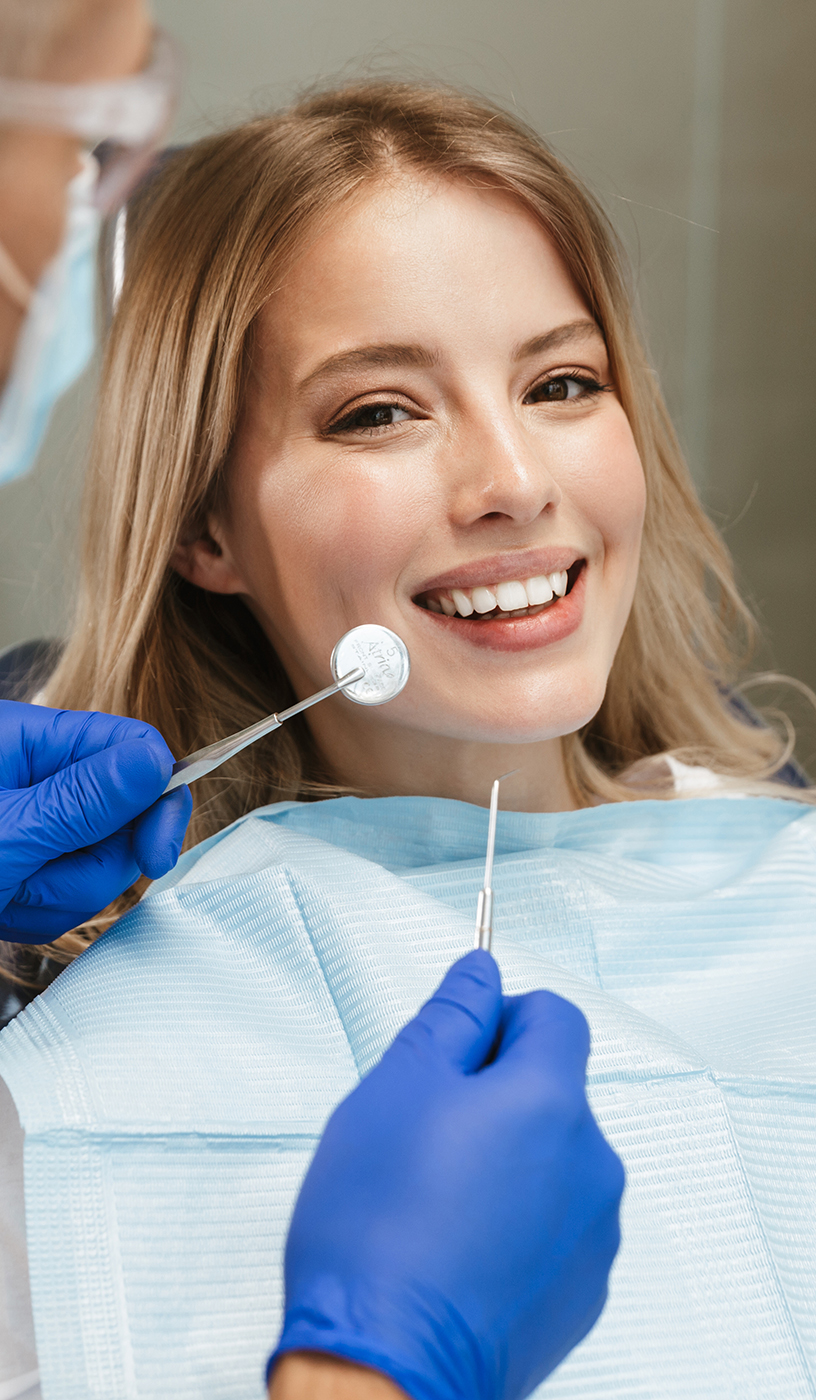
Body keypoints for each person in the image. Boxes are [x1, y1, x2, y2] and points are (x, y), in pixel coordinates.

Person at [1, 77, 814, 1400]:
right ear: (206, 527)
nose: (515, 483)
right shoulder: (66, 1069)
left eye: (563, 382)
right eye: (379, 411)